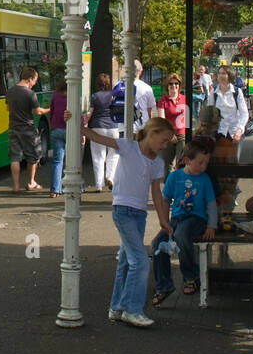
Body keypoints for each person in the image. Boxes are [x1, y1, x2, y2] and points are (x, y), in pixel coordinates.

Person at [85, 116, 176, 328]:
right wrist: (76, 125)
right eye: (163, 141)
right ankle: (131, 309)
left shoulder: (157, 162)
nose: (164, 146)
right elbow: (97, 137)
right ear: (151, 134)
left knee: (127, 261)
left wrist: (163, 220)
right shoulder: (128, 146)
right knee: (141, 261)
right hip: (123, 210)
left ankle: (116, 308)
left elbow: (156, 191)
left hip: (139, 214)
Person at [150, 134, 217, 305]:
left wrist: (211, 226)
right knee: (158, 243)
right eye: (200, 162)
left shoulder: (205, 179)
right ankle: (163, 285)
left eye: (206, 163)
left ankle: (190, 275)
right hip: (176, 218)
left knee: (181, 235)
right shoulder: (174, 177)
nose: (203, 167)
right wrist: (164, 222)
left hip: (196, 218)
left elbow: (211, 204)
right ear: (187, 160)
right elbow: (165, 200)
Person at [208, 64, 249, 223]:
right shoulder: (214, 93)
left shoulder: (237, 92)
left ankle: (231, 196)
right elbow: (209, 112)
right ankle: (221, 197)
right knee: (219, 166)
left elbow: (244, 114)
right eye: (219, 73)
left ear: (229, 76)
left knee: (233, 168)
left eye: (224, 73)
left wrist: (239, 130)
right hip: (219, 134)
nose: (221, 76)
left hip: (233, 134)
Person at [6, 66, 50, 193]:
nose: (34, 83)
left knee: (15, 158)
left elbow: (8, 109)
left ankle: (15, 186)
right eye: (34, 80)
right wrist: (50, 109)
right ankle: (31, 183)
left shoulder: (10, 91)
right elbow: (38, 112)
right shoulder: (30, 94)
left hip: (13, 128)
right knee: (34, 156)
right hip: (28, 129)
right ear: (29, 79)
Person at [87, 73, 118, 192]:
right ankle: (110, 177)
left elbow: (89, 114)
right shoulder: (113, 96)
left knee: (98, 157)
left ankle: (99, 185)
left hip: (97, 127)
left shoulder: (94, 96)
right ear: (109, 83)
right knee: (114, 154)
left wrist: (83, 125)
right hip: (113, 127)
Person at [156, 73, 187, 168]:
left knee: (181, 163)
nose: (174, 85)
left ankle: (179, 182)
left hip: (182, 135)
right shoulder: (163, 100)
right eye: (171, 83)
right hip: (168, 136)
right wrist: (170, 134)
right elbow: (162, 120)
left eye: (176, 83)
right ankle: (167, 182)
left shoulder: (184, 99)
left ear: (179, 85)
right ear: (167, 86)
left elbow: (188, 119)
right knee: (166, 165)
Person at [48, 78, 68, 197]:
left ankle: (55, 190)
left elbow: (52, 111)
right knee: (73, 161)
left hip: (56, 130)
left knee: (57, 161)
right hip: (69, 130)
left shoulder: (55, 95)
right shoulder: (73, 95)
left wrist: (52, 125)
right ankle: (78, 187)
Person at [131, 59, 157, 130]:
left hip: (123, 127)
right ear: (141, 71)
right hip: (141, 127)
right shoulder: (147, 88)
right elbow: (149, 111)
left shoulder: (119, 85)